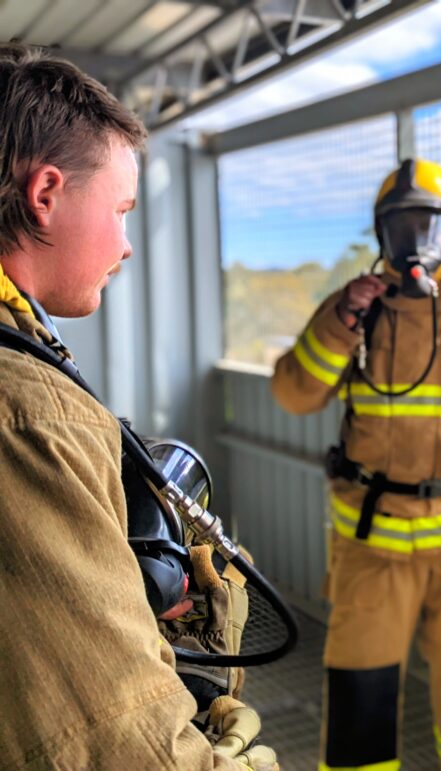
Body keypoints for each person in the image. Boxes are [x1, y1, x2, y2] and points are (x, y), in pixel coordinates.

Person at [0, 43, 275, 769]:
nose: (126, 245)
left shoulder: (27, 355)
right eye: (121, 209)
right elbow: (127, 747)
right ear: (46, 193)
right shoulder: (28, 414)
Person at [271, 158, 441, 771]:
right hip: (373, 544)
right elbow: (295, 393)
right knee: (362, 704)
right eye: (401, 226)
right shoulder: (358, 307)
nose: (416, 242)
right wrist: (341, 319)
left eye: (430, 225)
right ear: (382, 235)